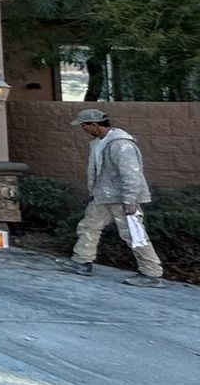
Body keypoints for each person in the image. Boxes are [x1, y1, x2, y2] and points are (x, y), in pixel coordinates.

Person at [60, 108, 165, 286]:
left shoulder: (121, 144)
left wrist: (130, 200)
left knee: (134, 234)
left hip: (121, 198)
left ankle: (151, 273)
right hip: (103, 196)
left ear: (94, 125)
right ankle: (81, 262)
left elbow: (131, 174)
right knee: (88, 226)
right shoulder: (97, 143)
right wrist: (94, 192)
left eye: (84, 125)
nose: (83, 129)